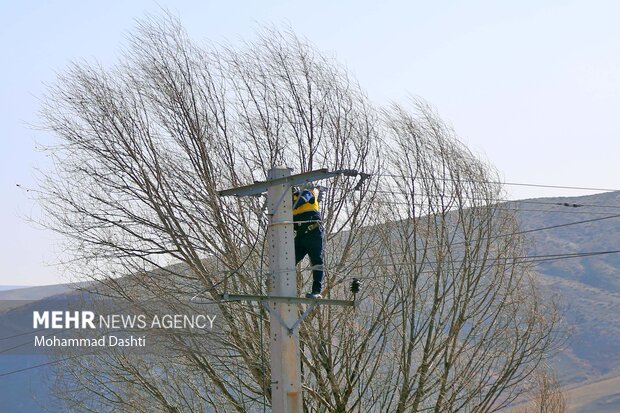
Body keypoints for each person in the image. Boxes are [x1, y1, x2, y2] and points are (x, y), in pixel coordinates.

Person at [292, 185, 324, 299]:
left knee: (316, 261)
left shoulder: (306, 193)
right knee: (289, 261)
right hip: (301, 235)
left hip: (313, 232)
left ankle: (316, 291)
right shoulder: (287, 205)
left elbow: (300, 201)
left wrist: (285, 206)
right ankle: (283, 287)